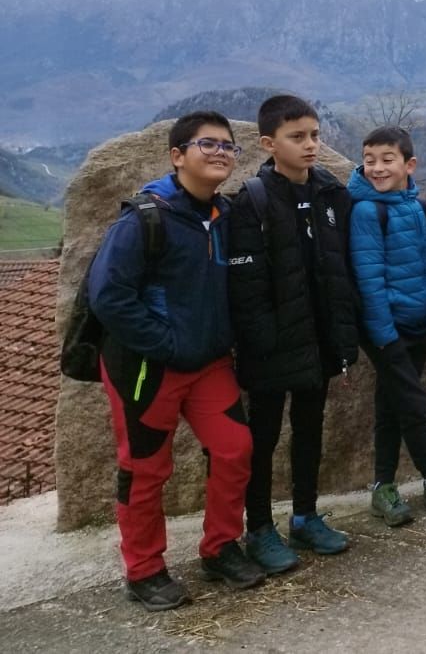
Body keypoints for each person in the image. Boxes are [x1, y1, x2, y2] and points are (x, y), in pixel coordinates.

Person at [89, 111, 262, 610]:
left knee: (234, 449)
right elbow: (109, 296)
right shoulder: (146, 217)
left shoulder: (223, 217)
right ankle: (143, 569)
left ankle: (220, 547)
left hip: (207, 365)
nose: (220, 153)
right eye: (207, 144)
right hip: (146, 366)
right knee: (145, 470)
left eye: (228, 146)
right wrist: (165, 343)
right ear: (177, 155)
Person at [230, 95, 359, 574]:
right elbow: (245, 287)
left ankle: (305, 516)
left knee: (310, 431)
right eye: (297, 137)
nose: (310, 145)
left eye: (314, 135)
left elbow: (338, 270)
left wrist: (342, 338)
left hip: (320, 343)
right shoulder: (254, 201)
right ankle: (259, 527)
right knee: (261, 439)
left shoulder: (330, 192)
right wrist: (264, 342)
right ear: (269, 143)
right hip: (272, 350)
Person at [348, 126, 426, 526]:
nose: (377, 168)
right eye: (369, 161)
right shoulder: (367, 211)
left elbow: (423, 267)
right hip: (388, 331)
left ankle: (382, 487)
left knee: (392, 405)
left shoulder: (416, 206)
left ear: (409, 164)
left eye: (387, 160)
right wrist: (384, 338)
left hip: (418, 324)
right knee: (414, 405)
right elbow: (370, 281)